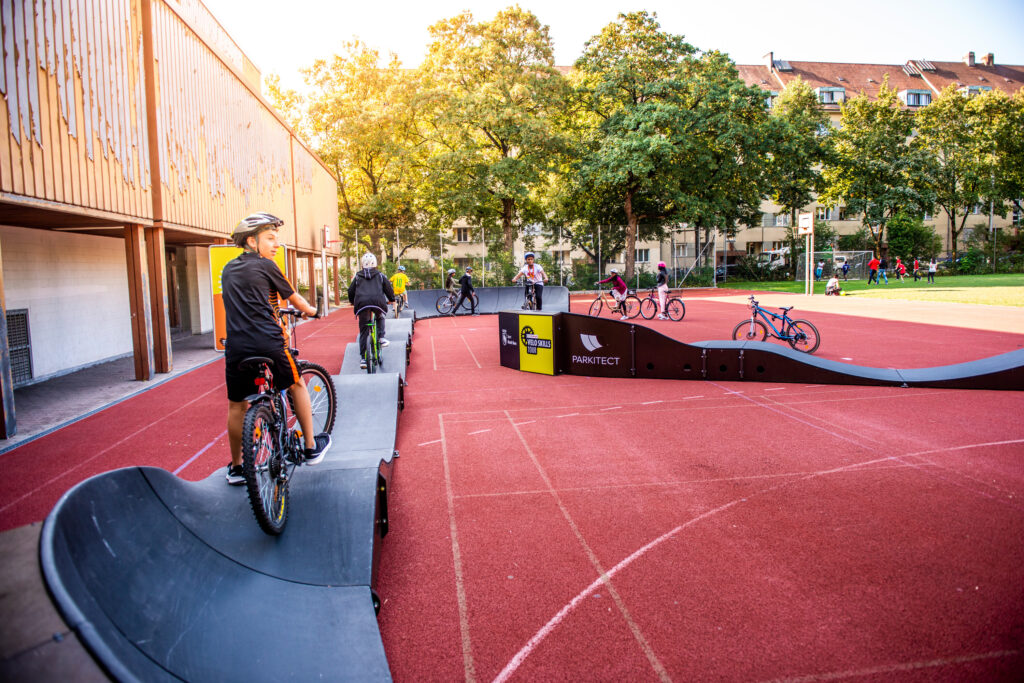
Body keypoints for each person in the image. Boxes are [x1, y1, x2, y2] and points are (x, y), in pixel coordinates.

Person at [221, 212, 331, 485]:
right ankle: (309, 447)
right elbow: (295, 299)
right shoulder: (267, 265)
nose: (276, 244)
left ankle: (237, 468)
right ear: (251, 241)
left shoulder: (228, 269)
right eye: (270, 238)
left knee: (237, 406)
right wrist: (314, 311)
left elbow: (249, 301)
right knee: (296, 386)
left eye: (276, 239)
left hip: (236, 347)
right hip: (269, 342)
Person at [348, 253, 395, 369]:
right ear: (375, 263)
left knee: (364, 330)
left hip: (362, 304)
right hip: (377, 302)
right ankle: (381, 338)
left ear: (362, 264)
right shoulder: (380, 275)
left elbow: (351, 290)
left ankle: (363, 359)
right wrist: (392, 299)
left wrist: (352, 301)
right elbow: (388, 288)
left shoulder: (357, 276)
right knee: (379, 317)